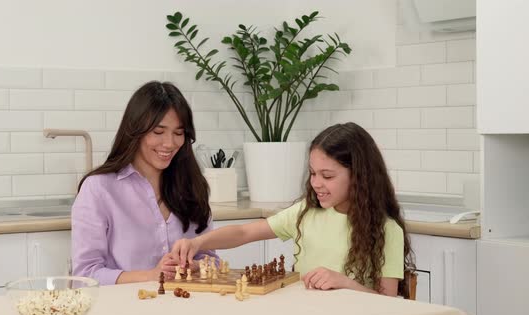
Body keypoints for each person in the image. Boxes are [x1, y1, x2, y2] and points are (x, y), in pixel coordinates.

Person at [171, 122, 414, 296]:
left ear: (359, 177)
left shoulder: (386, 229)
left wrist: (343, 282)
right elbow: (244, 233)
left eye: (327, 176)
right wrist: (198, 243)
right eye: (312, 173)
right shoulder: (306, 212)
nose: (316, 183)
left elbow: (387, 302)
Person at [72, 81, 218, 285]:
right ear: (135, 131)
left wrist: (196, 267)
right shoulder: (99, 188)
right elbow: (85, 275)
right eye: (158, 132)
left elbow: (211, 260)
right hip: (126, 309)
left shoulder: (191, 185)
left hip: (186, 306)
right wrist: (151, 275)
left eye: (178, 133)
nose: (169, 143)